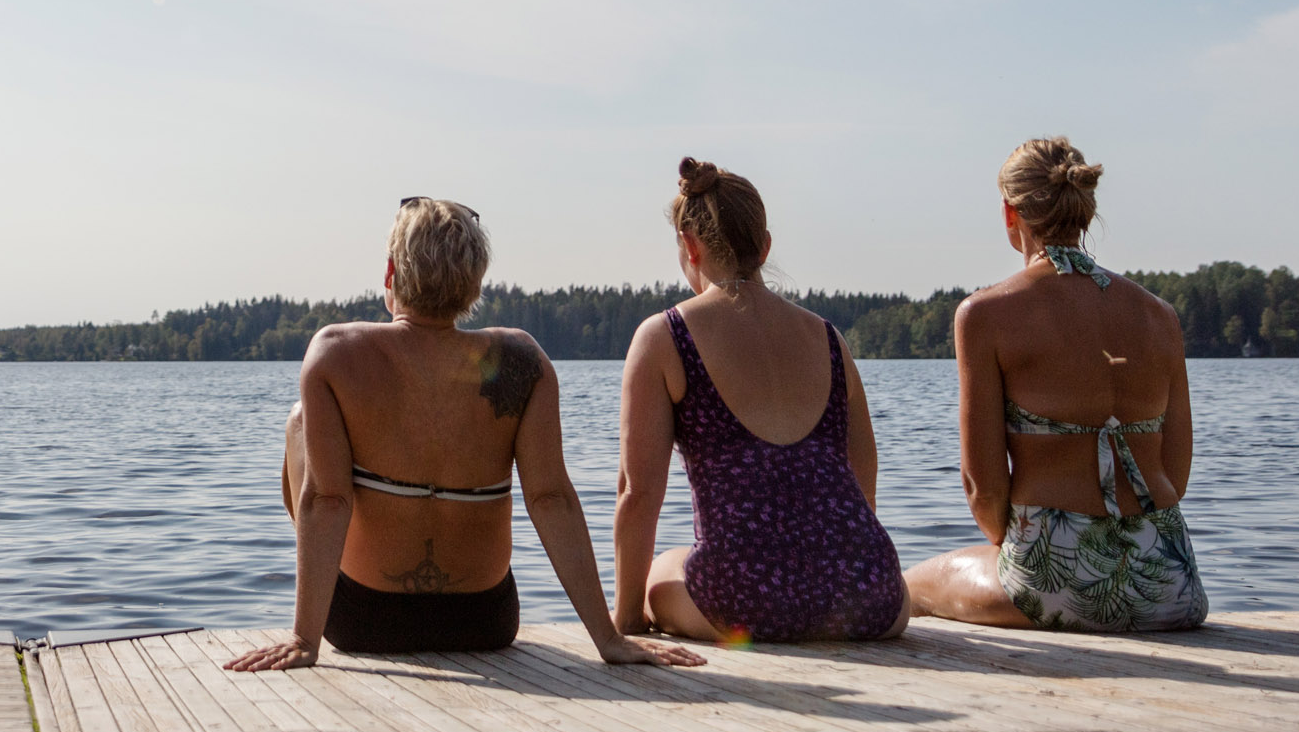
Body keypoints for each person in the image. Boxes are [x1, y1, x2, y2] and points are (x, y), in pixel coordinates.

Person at [226, 197, 703, 671]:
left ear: (392, 274)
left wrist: (305, 640)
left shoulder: (334, 353)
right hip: (485, 619)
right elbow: (552, 499)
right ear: (476, 281)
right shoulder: (521, 360)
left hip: (362, 619)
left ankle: (327, 591)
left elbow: (325, 501)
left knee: (300, 421)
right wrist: (608, 637)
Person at [902, 138, 1208, 633]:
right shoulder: (1159, 315)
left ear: (1009, 212)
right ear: (1085, 208)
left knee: (909, 584)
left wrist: (1036, 553)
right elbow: (1175, 474)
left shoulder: (985, 314)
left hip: (1054, 583)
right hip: (1171, 583)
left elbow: (983, 489)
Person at [615, 158, 906, 645]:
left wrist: (625, 623)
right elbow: (864, 488)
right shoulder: (830, 339)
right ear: (765, 245)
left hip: (746, 605)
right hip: (873, 599)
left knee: (661, 572)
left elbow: (638, 495)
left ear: (690, 245)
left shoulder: (664, 337)